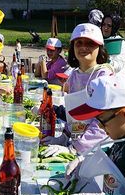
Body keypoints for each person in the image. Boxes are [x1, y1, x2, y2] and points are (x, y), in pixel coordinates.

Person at [42, 24, 113, 156]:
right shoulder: (74, 75)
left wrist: (75, 148)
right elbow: (74, 117)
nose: (83, 47)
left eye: (90, 43)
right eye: (78, 43)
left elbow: (103, 122)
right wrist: (64, 137)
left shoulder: (104, 76)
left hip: (98, 150)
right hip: (78, 143)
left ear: (100, 48)